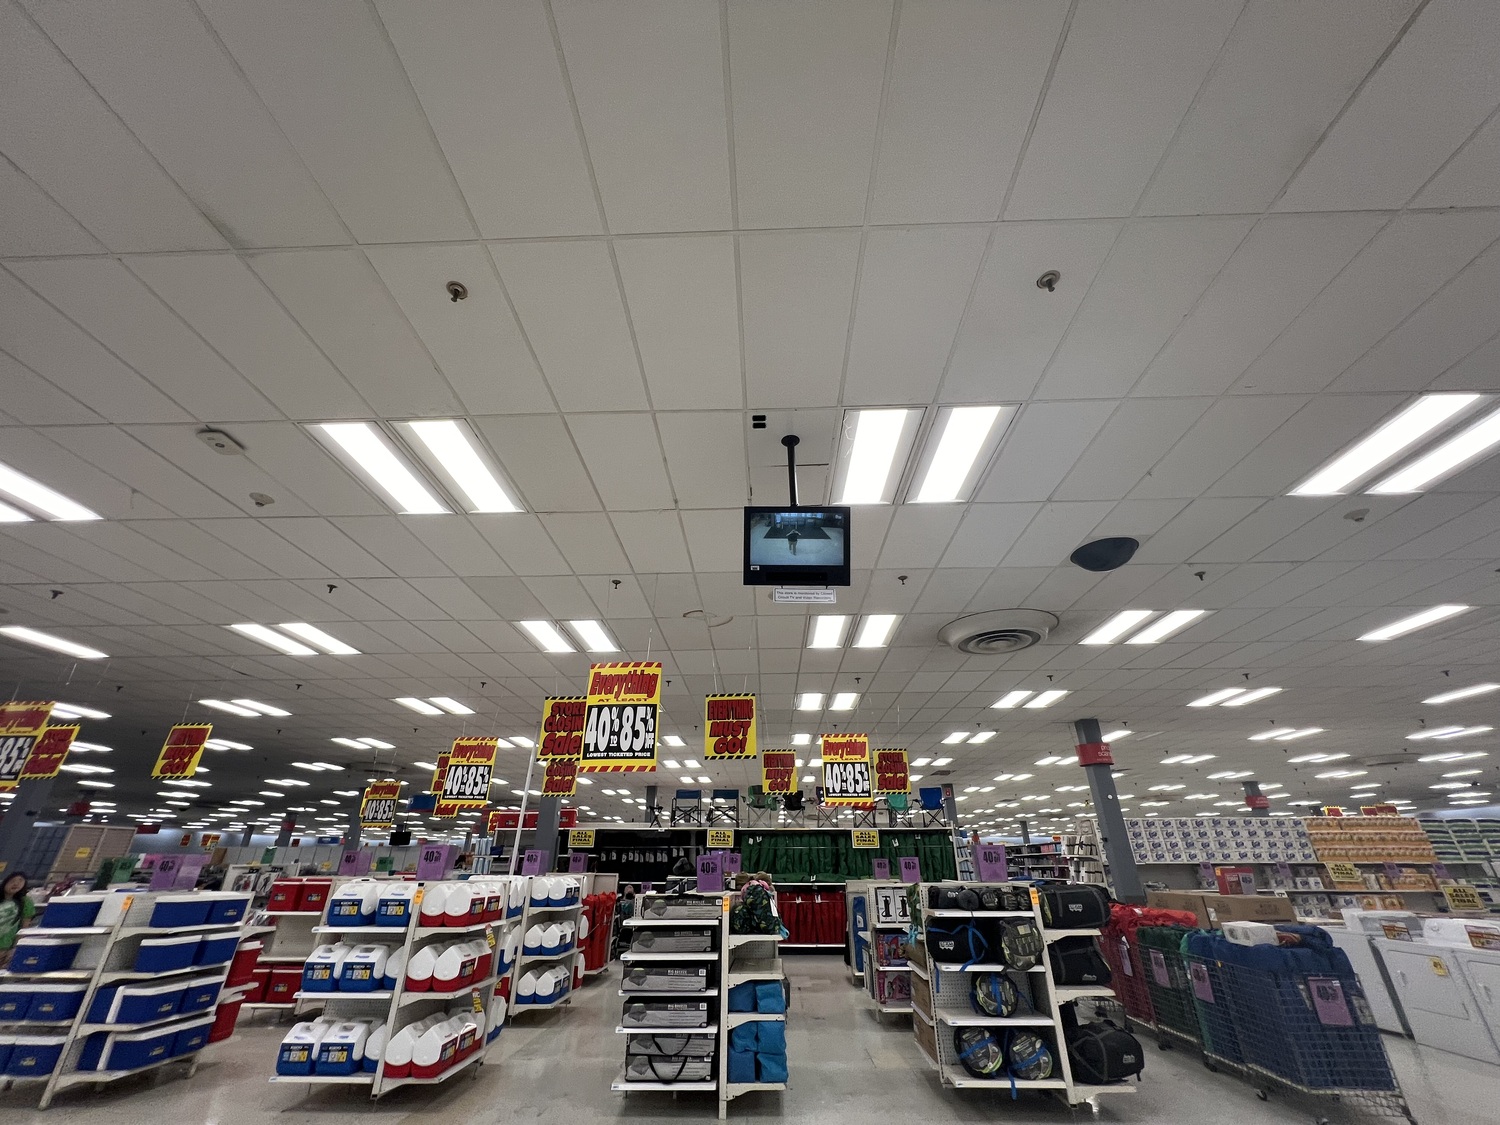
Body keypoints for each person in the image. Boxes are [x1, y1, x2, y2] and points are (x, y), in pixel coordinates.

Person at [0, 871, 37, 969]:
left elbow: (24, 928)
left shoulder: (25, 902)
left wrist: (15, 948)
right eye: (12, 881)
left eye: (20, 881)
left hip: (4, 948)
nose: (16, 884)